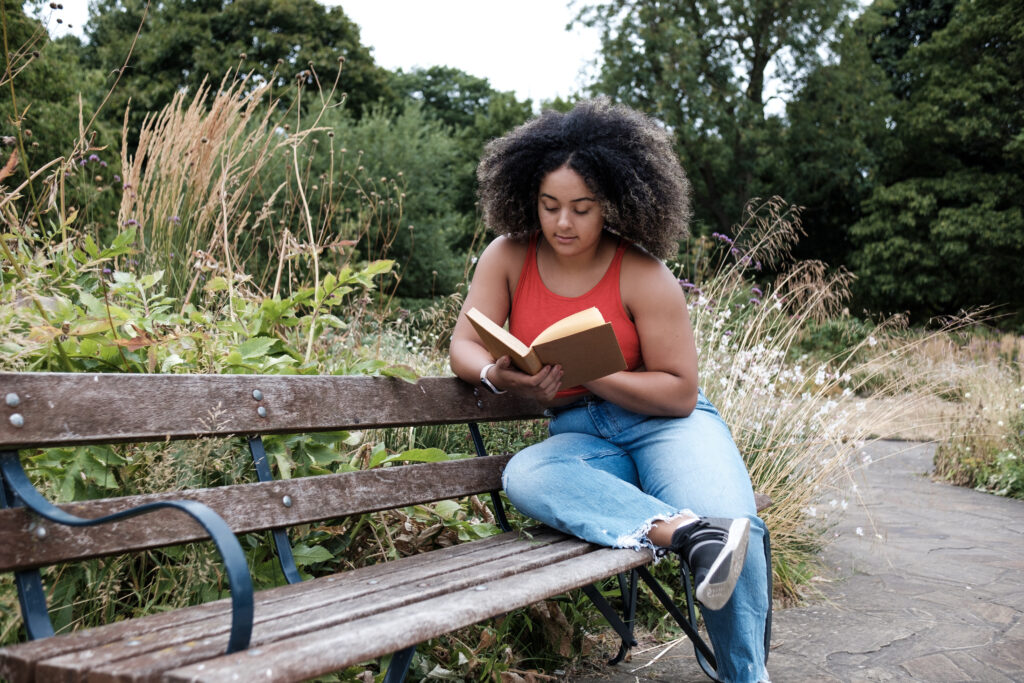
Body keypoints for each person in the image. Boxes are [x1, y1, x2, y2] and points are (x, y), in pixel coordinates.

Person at [448, 98, 770, 683]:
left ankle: (745, 677)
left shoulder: (644, 272)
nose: (562, 223)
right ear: (529, 199)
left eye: (581, 208)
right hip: (579, 437)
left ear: (612, 204)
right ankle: (686, 535)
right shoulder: (507, 255)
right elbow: (465, 345)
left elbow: (678, 392)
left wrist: (590, 371)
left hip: (667, 427)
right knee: (527, 474)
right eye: (549, 206)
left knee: (735, 523)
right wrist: (501, 375)